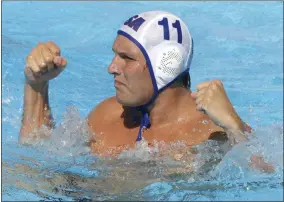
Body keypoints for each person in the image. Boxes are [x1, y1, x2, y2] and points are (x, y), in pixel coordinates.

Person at [20, 11, 251, 157]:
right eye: (115, 55)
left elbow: (264, 174)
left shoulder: (211, 133)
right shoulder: (107, 116)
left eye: (126, 58)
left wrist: (234, 126)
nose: (111, 68)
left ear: (165, 65)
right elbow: (36, 160)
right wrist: (36, 87)